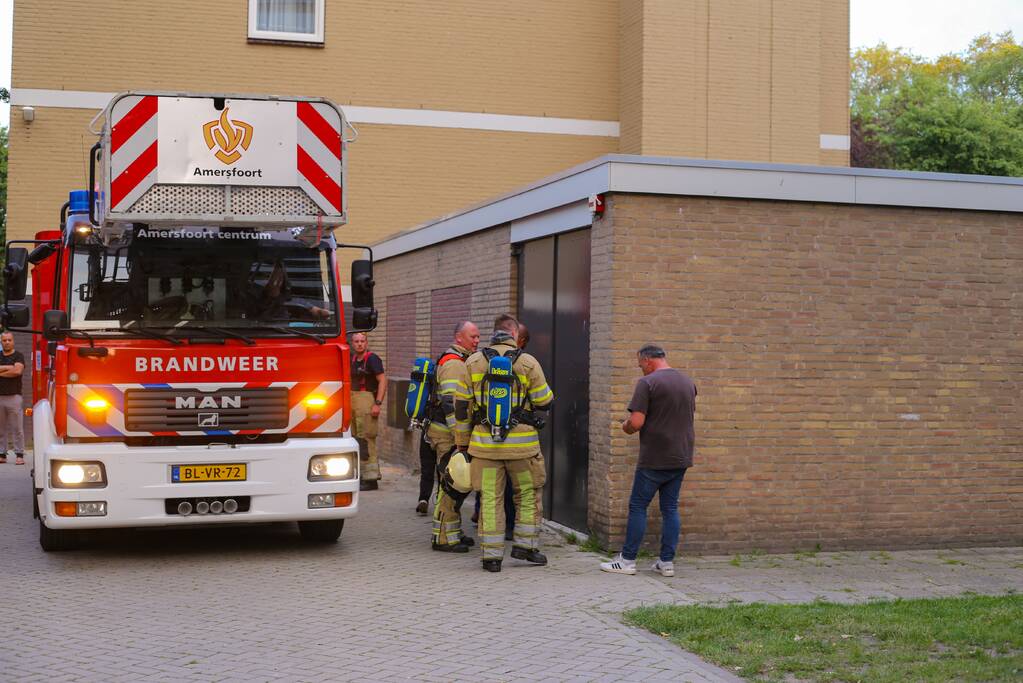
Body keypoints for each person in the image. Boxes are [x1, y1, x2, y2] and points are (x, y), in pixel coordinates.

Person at [466, 314, 553, 572]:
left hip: (485, 448)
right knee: (526, 495)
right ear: (514, 335)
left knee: (490, 498)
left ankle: (491, 557)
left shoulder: (472, 362)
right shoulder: (528, 362)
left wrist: (461, 443)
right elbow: (544, 400)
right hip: (522, 449)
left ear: (493, 333)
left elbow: (461, 407)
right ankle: (525, 548)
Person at [600, 344, 697, 577]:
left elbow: (636, 422)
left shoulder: (648, 383)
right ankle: (666, 562)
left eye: (640, 364)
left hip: (655, 457)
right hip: (681, 455)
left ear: (648, 360)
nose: (640, 368)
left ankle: (627, 560)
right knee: (670, 508)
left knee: (638, 506)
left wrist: (625, 426)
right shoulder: (687, 382)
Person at [428, 320, 480, 552]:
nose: (477, 341)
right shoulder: (453, 364)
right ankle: (443, 538)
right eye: (473, 337)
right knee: (450, 485)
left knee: (454, 484)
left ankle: (453, 532)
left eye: (478, 337)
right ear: (459, 337)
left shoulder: (459, 361)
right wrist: (461, 440)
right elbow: (451, 406)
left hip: (446, 434)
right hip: (447, 436)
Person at [350, 332, 386, 490]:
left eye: (362, 341)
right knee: (356, 439)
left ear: (366, 342)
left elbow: (383, 380)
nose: (359, 344)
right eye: (356, 341)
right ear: (352, 343)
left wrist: (377, 403)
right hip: (353, 401)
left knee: (367, 438)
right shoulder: (351, 359)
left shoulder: (372, 359)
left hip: (367, 401)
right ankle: (360, 476)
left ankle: (371, 479)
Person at [0, 332, 26, 466]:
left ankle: (19, 454)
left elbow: (17, 371)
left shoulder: (18, 355)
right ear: (1, 342)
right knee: (0, 429)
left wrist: (1, 372)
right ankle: (2, 454)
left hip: (14, 397)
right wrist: (8, 367)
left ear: (13, 341)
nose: (7, 342)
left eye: (9, 340)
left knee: (17, 428)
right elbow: (13, 369)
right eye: (4, 340)